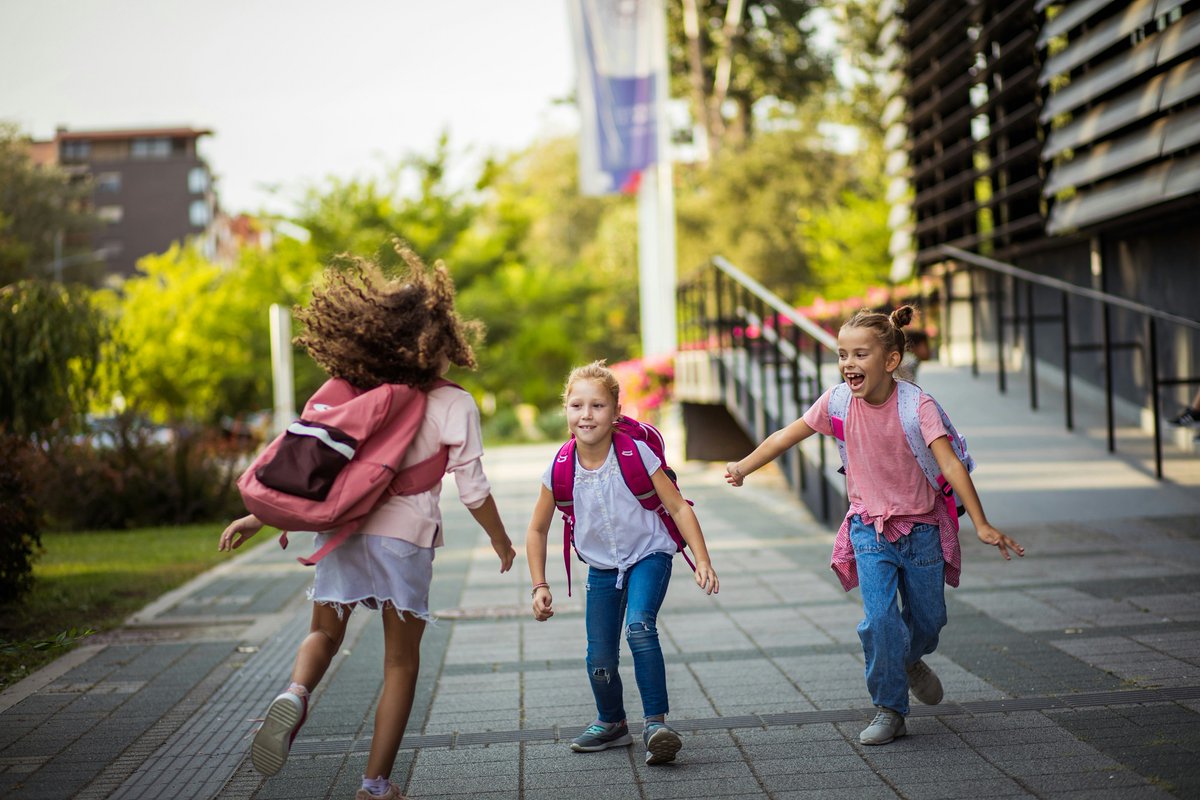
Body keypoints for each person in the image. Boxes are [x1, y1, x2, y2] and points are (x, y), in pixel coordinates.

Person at [219, 244, 517, 800]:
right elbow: (474, 490)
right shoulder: (456, 405)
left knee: (322, 634)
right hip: (404, 542)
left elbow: (312, 471)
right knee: (400, 663)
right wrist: (500, 540)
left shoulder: (358, 396)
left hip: (341, 533)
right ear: (438, 345)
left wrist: (256, 517)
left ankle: (296, 692)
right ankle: (374, 785)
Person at [723, 306, 1024, 747]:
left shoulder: (917, 406)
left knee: (929, 620)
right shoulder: (837, 402)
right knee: (880, 619)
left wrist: (981, 522)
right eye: (842, 354)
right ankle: (889, 708)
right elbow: (785, 436)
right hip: (869, 528)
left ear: (890, 361)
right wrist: (744, 467)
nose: (848, 364)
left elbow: (950, 465)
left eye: (860, 354)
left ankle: (906, 659)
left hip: (921, 530)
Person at [525, 361, 719, 765]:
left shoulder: (636, 453)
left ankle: (656, 725)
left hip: (650, 553)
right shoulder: (560, 468)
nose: (586, 414)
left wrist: (701, 559)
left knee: (639, 627)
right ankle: (612, 723)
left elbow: (678, 508)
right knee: (599, 657)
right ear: (566, 412)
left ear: (615, 412)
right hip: (602, 568)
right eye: (577, 405)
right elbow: (537, 530)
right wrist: (539, 584)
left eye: (597, 406)